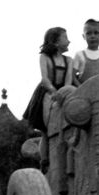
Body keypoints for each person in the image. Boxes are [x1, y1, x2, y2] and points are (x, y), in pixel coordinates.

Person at [23, 27, 73, 171]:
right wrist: (54, 92)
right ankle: (44, 161)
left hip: (62, 93)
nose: (69, 41)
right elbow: (45, 79)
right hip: (47, 93)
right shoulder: (44, 58)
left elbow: (68, 82)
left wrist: (63, 93)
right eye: (65, 38)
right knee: (46, 130)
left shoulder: (69, 60)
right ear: (56, 42)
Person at [73, 19, 99, 85]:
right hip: (82, 90)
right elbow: (73, 76)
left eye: (96, 33)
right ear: (84, 36)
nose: (92, 36)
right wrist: (80, 88)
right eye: (88, 33)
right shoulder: (79, 54)